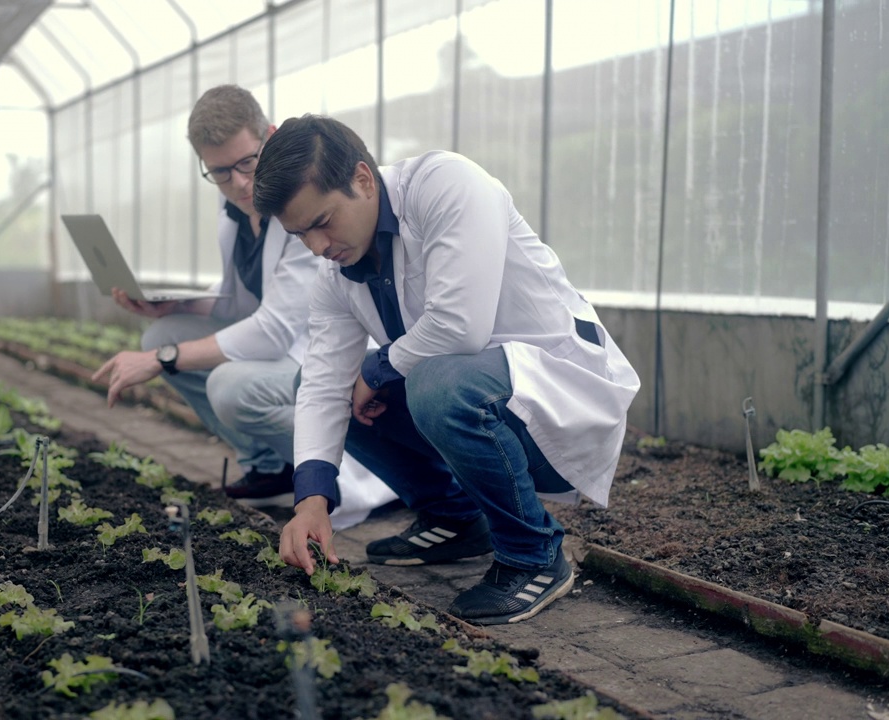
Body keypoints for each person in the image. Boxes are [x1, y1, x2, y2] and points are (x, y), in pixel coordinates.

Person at [253, 115, 640, 625]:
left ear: (363, 180)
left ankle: (535, 556)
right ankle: (455, 518)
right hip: (485, 400)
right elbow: (324, 385)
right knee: (325, 382)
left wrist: (380, 365)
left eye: (322, 222)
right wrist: (310, 501)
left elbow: (461, 328)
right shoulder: (336, 274)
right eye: (300, 234)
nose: (318, 247)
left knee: (433, 383)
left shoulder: (446, 185)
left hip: (564, 393)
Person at [89, 86, 400, 522]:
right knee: (162, 332)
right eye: (219, 172)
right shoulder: (234, 208)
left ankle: (364, 470)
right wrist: (172, 308)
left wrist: (163, 360)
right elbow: (242, 298)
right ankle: (269, 467)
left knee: (226, 384)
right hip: (279, 349)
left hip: (316, 353)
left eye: (247, 163)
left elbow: (273, 330)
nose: (238, 183)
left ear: (269, 137)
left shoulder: (300, 208)